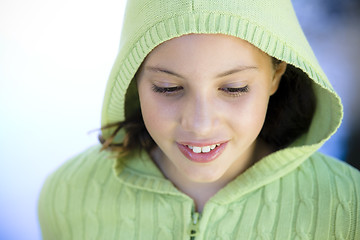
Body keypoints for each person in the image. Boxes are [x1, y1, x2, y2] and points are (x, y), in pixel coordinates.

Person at [38, 0, 360, 239]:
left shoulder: (347, 206)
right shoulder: (68, 197)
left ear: (276, 73)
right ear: (133, 78)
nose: (200, 123)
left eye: (234, 88)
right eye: (169, 88)